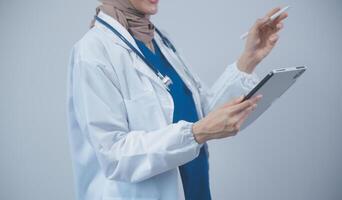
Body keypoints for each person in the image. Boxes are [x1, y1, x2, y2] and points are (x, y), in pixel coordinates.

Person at [66, 0, 288, 199]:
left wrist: (249, 58)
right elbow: (114, 156)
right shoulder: (92, 51)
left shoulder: (160, 40)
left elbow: (201, 115)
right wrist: (196, 133)